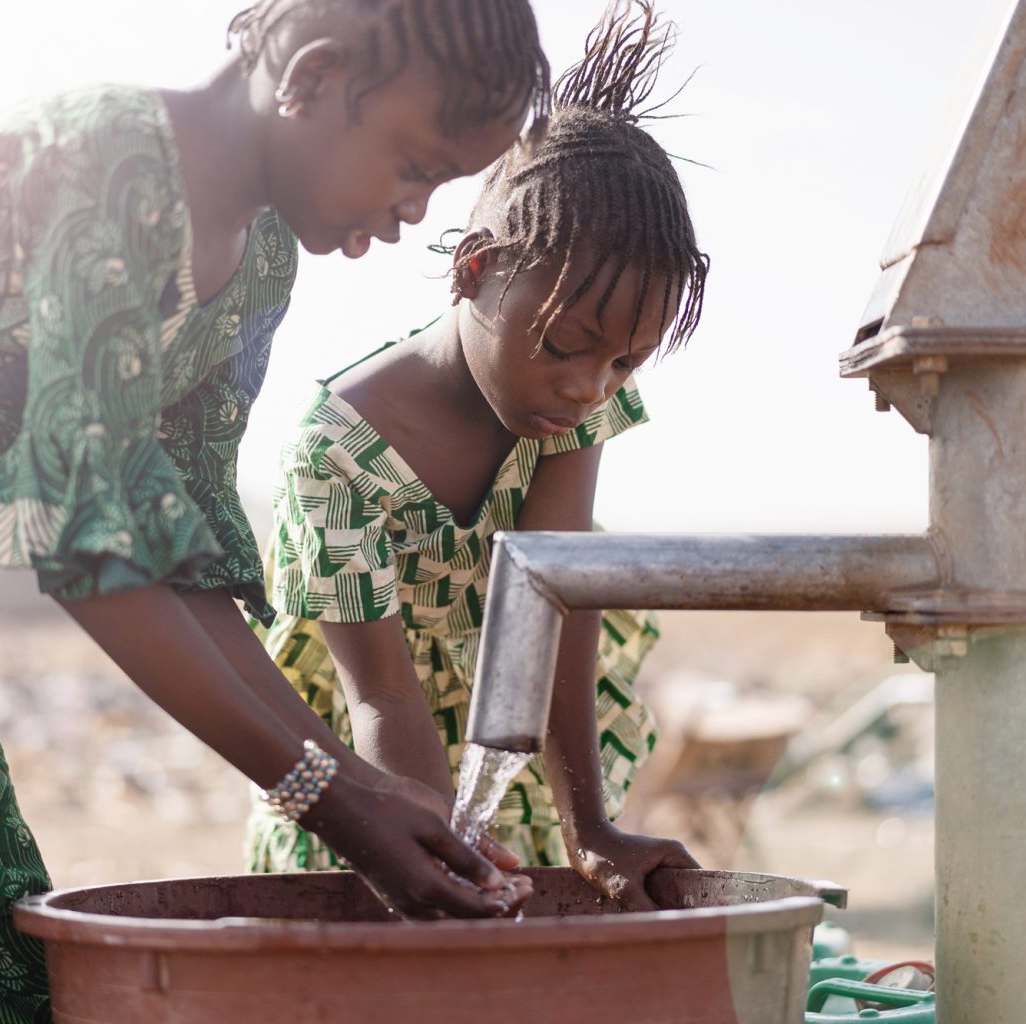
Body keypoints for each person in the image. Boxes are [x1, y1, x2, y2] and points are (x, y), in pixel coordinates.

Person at [0, 2, 550, 1020]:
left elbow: (176, 560)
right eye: (415, 167)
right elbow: (87, 550)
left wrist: (366, 792)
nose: (416, 212)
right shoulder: (110, 159)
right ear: (317, 77)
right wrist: (328, 800)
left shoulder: (257, 265)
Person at [248, 0, 709, 910]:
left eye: (625, 363)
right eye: (569, 344)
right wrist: (442, 862)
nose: (591, 386)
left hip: (516, 798)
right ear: (475, 270)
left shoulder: (565, 412)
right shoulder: (335, 455)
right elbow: (381, 696)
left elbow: (559, 606)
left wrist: (588, 827)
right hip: (378, 809)